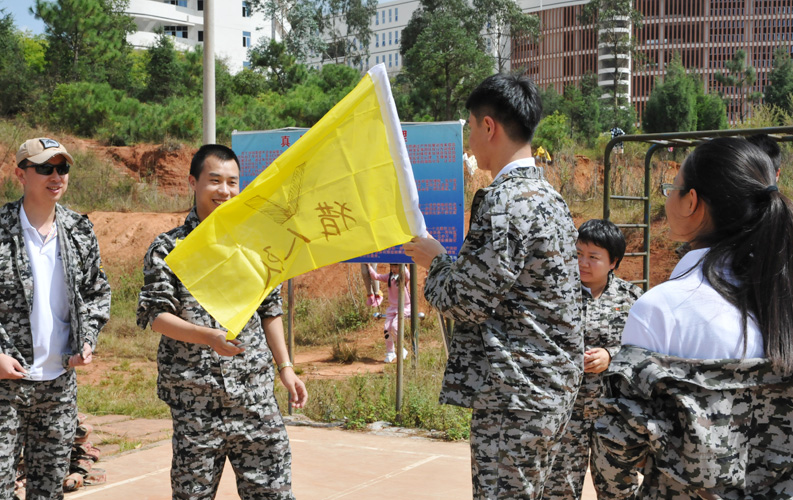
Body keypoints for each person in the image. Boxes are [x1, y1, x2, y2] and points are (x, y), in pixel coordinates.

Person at [404, 74, 582, 499]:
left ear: (489, 127)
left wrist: (435, 261)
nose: (469, 138)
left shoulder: (503, 201)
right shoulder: (550, 197)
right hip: (550, 388)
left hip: (515, 393)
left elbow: (467, 300)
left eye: (470, 125)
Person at [593, 137, 793, 498]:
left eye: (673, 188)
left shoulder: (661, 310)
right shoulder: (781, 303)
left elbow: (616, 446)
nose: (667, 196)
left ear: (693, 203)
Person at [137, 144, 307, 500]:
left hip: (255, 399)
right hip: (197, 404)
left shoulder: (253, 244)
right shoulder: (170, 248)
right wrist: (207, 337)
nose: (225, 191)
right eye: (215, 181)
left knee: (273, 493)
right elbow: (157, 316)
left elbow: (269, 311)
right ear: (193, 182)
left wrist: (286, 367)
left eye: (232, 182)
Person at [0, 138, 111, 499]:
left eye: (62, 168)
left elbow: (97, 292)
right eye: (45, 168)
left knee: (48, 491)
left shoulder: (79, 230)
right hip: (5, 385)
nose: (56, 176)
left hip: (58, 388)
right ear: (20, 173)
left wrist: (88, 339)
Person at [543, 219, 642, 500]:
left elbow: (646, 352)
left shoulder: (633, 299)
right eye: (578, 254)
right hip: (566, 412)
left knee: (618, 489)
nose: (583, 263)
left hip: (612, 414)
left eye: (593, 257)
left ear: (613, 262)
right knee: (558, 489)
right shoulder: (556, 295)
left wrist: (612, 356)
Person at [367, 263, 410, 362]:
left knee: (395, 327)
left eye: (396, 266)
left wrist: (403, 262)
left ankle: (401, 348)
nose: (394, 269)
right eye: (392, 266)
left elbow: (407, 274)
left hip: (404, 307)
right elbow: (376, 276)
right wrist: (368, 266)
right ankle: (390, 352)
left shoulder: (404, 276)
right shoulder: (389, 276)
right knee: (386, 329)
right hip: (392, 308)